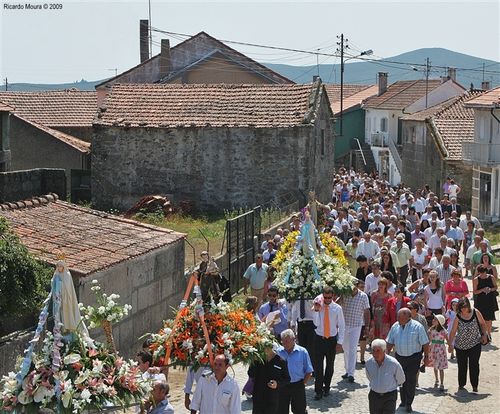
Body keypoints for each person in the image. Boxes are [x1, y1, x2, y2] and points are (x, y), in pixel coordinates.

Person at [386, 308, 430, 413]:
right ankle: (403, 400)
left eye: (399, 317)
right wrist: (386, 354)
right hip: (400, 356)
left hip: (414, 357)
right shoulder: (395, 326)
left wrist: (426, 357)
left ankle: (409, 402)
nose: (397, 319)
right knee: (401, 379)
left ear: (407, 317)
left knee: (410, 379)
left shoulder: (417, 327)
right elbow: (390, 341)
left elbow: (425, 343)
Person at [448, 297, 488, 393]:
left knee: (474, 365)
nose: (463, 309)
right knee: (462, 366)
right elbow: (453, 331)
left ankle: (475, 386)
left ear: (468, 306)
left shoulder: (475, 312)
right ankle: (461, 385)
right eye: (461, 307)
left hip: (475, 343)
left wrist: (485, 335)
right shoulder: (458, 316)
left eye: (465, 307)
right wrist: (450, 345)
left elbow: (482, 324)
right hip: (460, 346)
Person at [312, 286, 345, 399]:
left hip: (331, 340)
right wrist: (316, 311)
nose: (327, 300)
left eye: (329, 298)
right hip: (319, 339)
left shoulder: (337, 308)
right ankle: (318, 390)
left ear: (333, 296)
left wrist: (340, 342)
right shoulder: (318, 306)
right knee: (318, 366)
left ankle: (327, 387)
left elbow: (341, 325)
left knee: (330, 366)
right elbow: (316, 324)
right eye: (325, 297)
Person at [338, 279, 370, 383]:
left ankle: (351, 373)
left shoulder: (363, 296)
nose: (353, 287)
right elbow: (336, 304)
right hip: (344, 325)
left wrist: (367, 326)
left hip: (356, 326)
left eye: (355, 285)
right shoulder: (345, 294)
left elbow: (366, 311)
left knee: (352, 349)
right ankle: (347, 370)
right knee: (345, 348)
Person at [276, 329, 313, 414]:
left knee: (299, 410)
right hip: (282, 385)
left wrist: (303, 384)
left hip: (297, 385)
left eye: (287, 341)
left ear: (293, 339)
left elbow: (309, 371)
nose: (284, 344)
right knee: (281, 410)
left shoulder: (302, 352)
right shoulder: (278, 352)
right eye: (283, 342)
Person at [365, 339, 405, 414]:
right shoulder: (369, 363)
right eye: (373, 350)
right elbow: (370, 378)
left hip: (389, 397)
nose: (375, 353)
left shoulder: (393, 363)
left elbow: (401, 379)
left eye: (378, 351)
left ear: (384, 351)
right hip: (374, 396)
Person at [248, 346, 290, 414]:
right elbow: (251, 374)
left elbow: (287, 379)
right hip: (258, 397)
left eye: (263, 347)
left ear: (270, 347)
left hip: (272, 398)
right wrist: (253, 361)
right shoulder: (258, 359)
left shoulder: (281, 361)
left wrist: (277, 384)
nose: (262, 350)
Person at [472, 265, 498, 337]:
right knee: (480, 319)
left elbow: (495, 287)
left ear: (486, 271)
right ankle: (482, 334)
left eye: (483, 272)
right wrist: (482, 290)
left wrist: (490, 289)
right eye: (480, 272)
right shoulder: (476, 279)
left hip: (490, 300)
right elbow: (475, 291)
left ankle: (489, 334)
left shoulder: (491, 277)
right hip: (480, 301)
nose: (482, 273)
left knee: (489, 319)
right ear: (478, 272)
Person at [428, 315, 449, 391]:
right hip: (434, 349)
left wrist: (450, 346)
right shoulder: (431, 330)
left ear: (439, 322)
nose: (433, 320)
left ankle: (442, 383)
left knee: (441, 367)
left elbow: (447, 339)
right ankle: (436, 379)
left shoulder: (443, 330)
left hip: (440, 350)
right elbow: (430, 339)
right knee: (435, 365)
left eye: (435, 319)